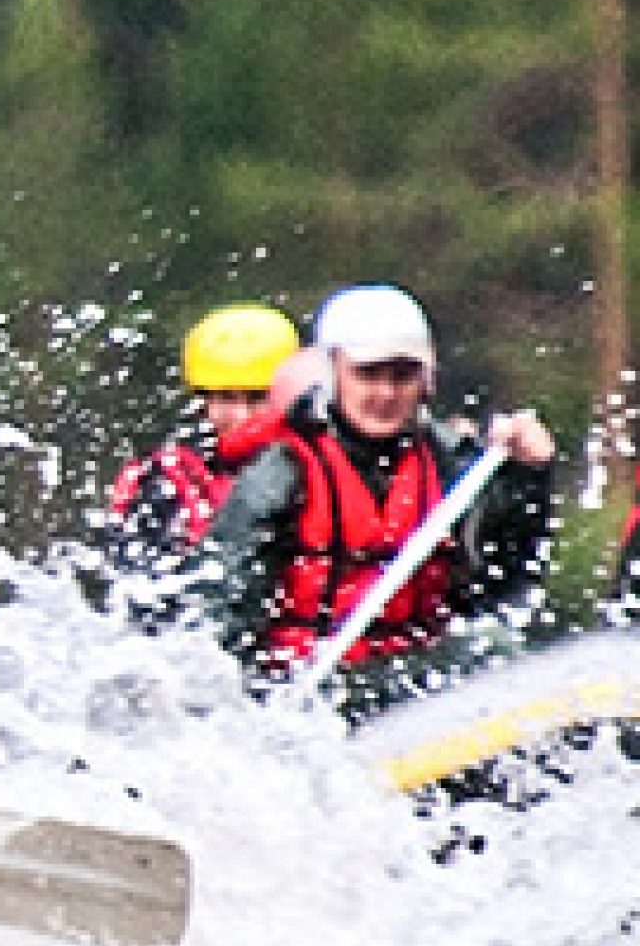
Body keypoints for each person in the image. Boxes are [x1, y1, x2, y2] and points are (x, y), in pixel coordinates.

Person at [192, 283, 558, 708]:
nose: (385, 393)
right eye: (368, 374)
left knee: (496, 651)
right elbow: (218, 611)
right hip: (308, 697)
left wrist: (528, 478)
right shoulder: (283, 472)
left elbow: (507, 584)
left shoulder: (453, 466)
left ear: (425, 380)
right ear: (333, 373)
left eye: (401, 375)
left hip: (416, 681)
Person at [105, 302, 299, 588]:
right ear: (205, 401)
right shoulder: (165, 480)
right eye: (225, 399)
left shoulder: (317, 464)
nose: (242, 417)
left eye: (258, 398)